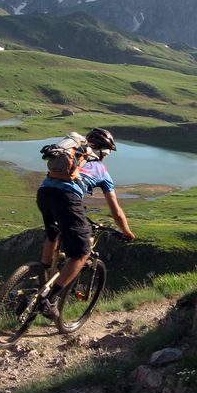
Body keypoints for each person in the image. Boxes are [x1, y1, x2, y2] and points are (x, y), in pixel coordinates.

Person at [36, 127, 135, 319]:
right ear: (105, 152)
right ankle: (50, 300)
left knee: (53, 233)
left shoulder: (75, 154)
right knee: (81, 254)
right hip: (67, 199)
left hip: (44, 193)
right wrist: (127, 232)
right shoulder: (102, 170)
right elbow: (116, 212)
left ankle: (42, 279)